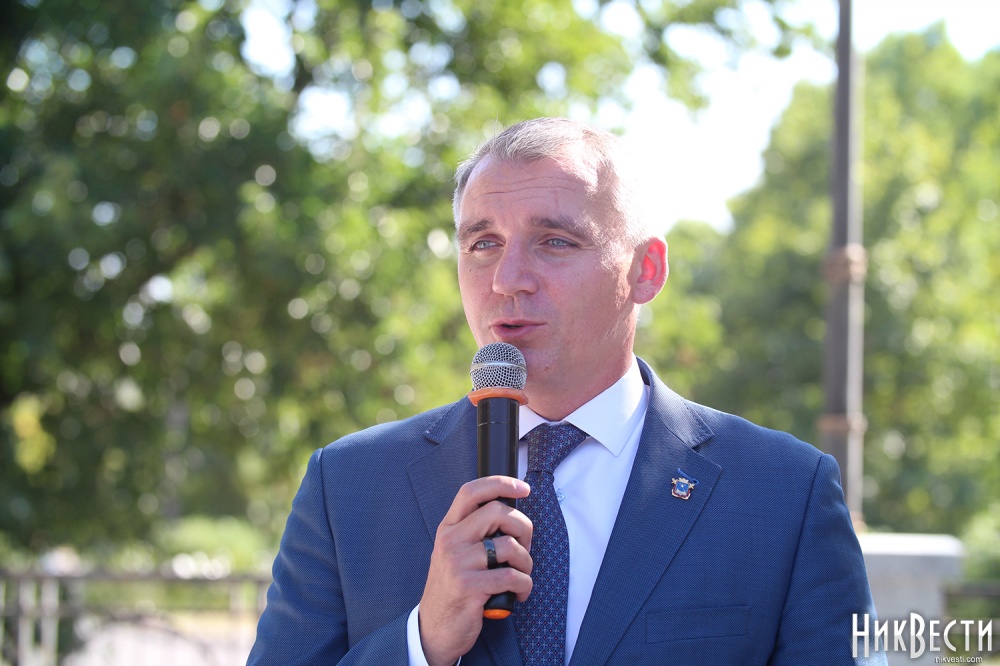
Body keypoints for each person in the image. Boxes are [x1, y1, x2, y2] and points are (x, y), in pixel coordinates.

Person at [248, 117, 885, 665]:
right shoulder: (348, 487)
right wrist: (422, 642)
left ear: (646, 270)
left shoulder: (785, 493)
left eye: (555, 241)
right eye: (483, 243)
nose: (508, 279)